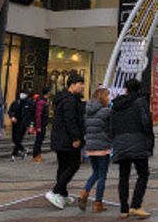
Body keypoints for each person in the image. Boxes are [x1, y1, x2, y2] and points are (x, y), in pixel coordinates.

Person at [111, 78, 153, 219]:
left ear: (126, 89)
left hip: (120, 142)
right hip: (138, 142)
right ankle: (135, 205)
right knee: (143, 173)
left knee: (123, 175)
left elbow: (111, 125)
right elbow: (146, 123)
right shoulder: (141, 102)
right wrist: (150, 141)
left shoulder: (116, 104)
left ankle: (124, 209)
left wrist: (115, 139)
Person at [45, 73, 85, 210]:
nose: (82, 86)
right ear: (72, 85)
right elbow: (70, 120)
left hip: (61, 138)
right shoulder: (69, 101)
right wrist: (76, 138)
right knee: (74, 164)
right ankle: (55, 191)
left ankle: (62, 194)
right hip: (67, 139)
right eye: (80, 84)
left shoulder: (64, 99)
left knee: (63, 166)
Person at [79, 87, 112, 212]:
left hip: (90, 146)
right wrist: (109, 139)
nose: (109, 98)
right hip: (103, 146)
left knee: (95, 172)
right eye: (107, 96)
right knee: (102, 174)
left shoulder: (87, 111)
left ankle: (84, 192)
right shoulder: (106, 111)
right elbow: (110, 128)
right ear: (103, 97)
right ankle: (98, 203)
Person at [8, 91, 31, 161]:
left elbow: (30, 114)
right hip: (15, 123)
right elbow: (10, 111)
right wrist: (12, 116)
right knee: (14, 139)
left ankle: (13, 155)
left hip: (23, 124)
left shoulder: (28, 103)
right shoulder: (15, 102)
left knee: (18, 139)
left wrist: (31, 124)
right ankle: (23, 150)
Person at [31, 87, 50, 162]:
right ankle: (36, 155)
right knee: (38, 140)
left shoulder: (44, 101)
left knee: (40, 139)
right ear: (47, 93)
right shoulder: (41, 102)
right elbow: (38, 115)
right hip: (40, 124)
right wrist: (38, 126)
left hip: (43, 124)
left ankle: (38, 154)